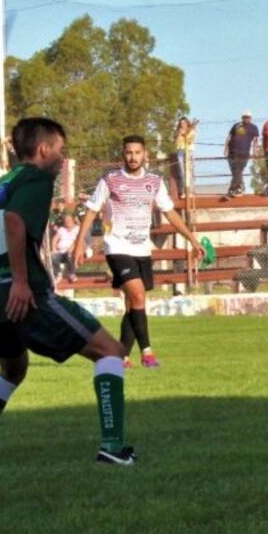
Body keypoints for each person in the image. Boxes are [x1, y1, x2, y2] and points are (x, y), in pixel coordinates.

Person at [0, 117, 135, 465]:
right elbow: (14, 222)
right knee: (111, 352)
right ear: (43, 150)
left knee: (13, 369)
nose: (62, 160)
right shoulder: (36, 178)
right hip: (25, 295)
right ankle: (112, 449)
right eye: (60, 152)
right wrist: (19, 282)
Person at [75, 135, 205, 369]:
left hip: (142, 248)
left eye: (137, 153)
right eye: (128, 152)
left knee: (132, 304)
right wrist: (79, 244)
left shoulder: (155, 181)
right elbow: (92, 211)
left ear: (145, 154)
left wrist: (192, 239)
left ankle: (120, 355)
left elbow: (170, 212)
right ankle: (147, 352)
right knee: (138, 296)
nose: (132, 157)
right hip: (117, 247)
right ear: (122, 155)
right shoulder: (110, 180)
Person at [223, 111, 258, 198]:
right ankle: (239, 188)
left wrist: (255, 151)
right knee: (235, 172)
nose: (246, 119)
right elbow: (229, 137)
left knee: (238, 171)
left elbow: (255, 140)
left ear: (250, 118)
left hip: (243, 153)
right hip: (232, 152)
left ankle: (233, 189)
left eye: (248, 117)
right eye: (244, 117)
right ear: (242, 117)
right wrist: (226, 149)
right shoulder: (236, 125)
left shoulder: (253, 127)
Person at [174, 116, 199, 198]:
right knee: (182, 172)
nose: (182, 125)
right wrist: (178, 135)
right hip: (180, 151)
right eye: (181, 123)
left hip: (189, 151)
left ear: (187, 123)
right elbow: (176, 143)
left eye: (184, 123)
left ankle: (191, 191)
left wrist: (185, 134)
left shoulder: (192, 131)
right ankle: (183, 191)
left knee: (190, 172)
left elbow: (190, 141)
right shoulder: (178, 131)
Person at [51, 213, 80, 283]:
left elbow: (79, 240)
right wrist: (54, 249)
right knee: (53, 255)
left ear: (73, 220)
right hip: (61, 252)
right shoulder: (61, 229)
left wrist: (72, 247)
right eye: (66, 220)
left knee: (69, 254)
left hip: (72, 252)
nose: (68, 221)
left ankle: (71, 274)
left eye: (69, 220)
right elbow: (54, 239)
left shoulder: (77, 228)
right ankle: (58, 274)